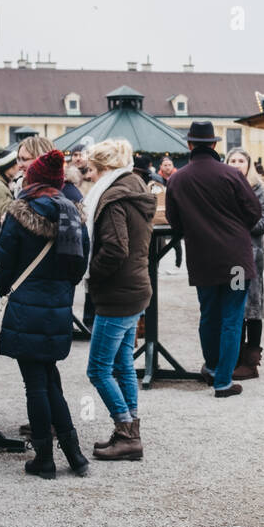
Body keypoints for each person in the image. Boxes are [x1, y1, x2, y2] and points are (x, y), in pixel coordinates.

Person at [0, 149, 91, 477]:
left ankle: (45, 459)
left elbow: (4, 265)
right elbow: (79, 265)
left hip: (25, 306)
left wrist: (7, 289)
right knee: (50, 380)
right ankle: (75, 456)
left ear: (32, 179)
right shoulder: (74, 214)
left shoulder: (20, 212)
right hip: (57, 305)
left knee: (35, 383)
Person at [166, 122, 261, 396]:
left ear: (189, 145)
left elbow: (175, 223)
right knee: (232, 317)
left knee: (208, 315)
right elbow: (253, 211)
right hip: (235, 260)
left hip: (202, 258)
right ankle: (223, 381)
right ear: (215, 145)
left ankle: (211, 367)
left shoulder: (177, 179)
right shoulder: (231, 174)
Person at [82, 139, 155, 461]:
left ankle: (126, 431)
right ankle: (130, 430)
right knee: (123, 363)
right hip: (135, 287)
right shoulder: (134, 188)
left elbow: (114, 248)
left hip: (118, 292)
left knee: (98, 369)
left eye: (92, 171)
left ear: (104, 169)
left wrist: (91, 276)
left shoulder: (112, 198)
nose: (89, 177)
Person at [225, 146, 264, 380]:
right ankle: (234, 357)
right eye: (232, 160)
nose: (236, 164)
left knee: (253, 306)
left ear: (248, 164)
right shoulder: (222, 187)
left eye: (240, 160)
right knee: (235, 305)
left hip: (252, 256)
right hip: (230, 257)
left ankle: (251, 362)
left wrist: (237, 226)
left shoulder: (258, 188)